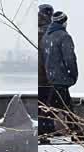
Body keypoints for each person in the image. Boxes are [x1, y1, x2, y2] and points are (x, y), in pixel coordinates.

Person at [41, 10, 83, 141]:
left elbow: (44, 58)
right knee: (60, 109)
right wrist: (73, 75)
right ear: (64, 22)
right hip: (61, 78)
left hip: (52, 77)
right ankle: (76, 133)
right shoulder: (64, 37)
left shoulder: (46, 37)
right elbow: (70, 59)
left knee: (59, 107)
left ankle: (76, 133)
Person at [37, 5, 55, 140]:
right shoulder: (50, 32)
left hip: (39, 75)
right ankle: (46, 131)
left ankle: (45, 130)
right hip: (47, 75)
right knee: (46, 105)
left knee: (42, 104)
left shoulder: (38, 30)